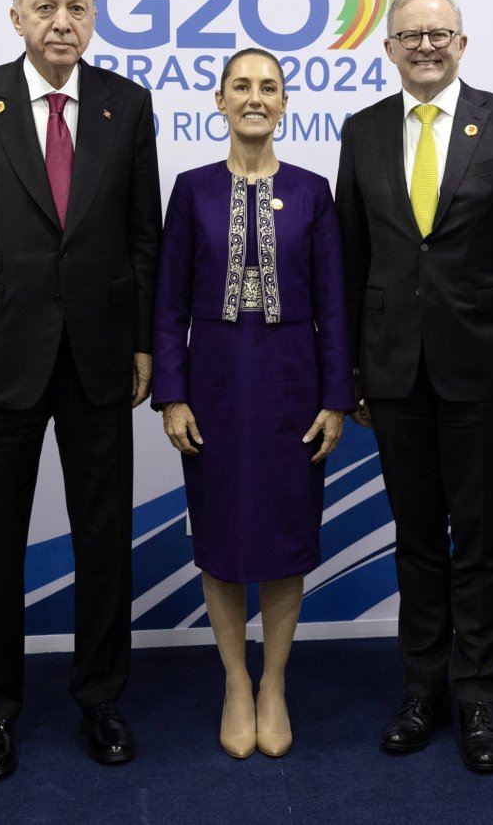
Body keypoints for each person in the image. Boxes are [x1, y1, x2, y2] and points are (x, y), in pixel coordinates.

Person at [0, 0, 161, 779]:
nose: (62, 21)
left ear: (93, 20)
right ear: (15, 18)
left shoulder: (126, 104)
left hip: (96, 356)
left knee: (103, 541)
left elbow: (142, 237)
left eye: (77, 8)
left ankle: (101, 698)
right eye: (45, 7)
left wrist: (140, 342)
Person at [336, 0, 493, 773]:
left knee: (480, 543)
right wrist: (353, 371)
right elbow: (350, 261)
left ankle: (477, 700)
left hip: (486, 370)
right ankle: (421, 691)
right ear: (388, 49)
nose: (424, 46)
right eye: (409, 36)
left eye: (437, 34)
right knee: (416, 542)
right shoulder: (361, 131)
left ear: (461, 42)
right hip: (393, 374)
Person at [152, 48, 351, 759]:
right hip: (213, 387)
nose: (255, 98)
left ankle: (274, 683)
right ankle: (235, 681)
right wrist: (171, 394)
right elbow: (168, 301)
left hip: (293, 384)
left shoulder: (311, 191)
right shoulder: (192, 189)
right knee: (222, 539)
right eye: (242, 86)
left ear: (285, 101)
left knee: (285, 538)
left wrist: (336, 398)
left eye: (268, 87)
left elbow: (334, 304)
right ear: (219, 99)